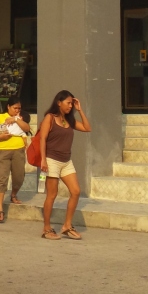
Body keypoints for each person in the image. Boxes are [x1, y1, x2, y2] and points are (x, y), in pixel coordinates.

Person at [37, 90, 90, 240]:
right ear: (59, 103)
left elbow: (87, 128)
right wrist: (43, 160)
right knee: (52, 195)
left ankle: (67, 226)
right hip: (51, 160)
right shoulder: (50, 118)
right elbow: (42, 139)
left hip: (66, 161)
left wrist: (80, 110)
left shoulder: (69, 120)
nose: (70, 106)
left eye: (72, 103)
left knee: (76, 191)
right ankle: (46, 228)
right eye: (68, 103)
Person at [0, 98, 31, 223]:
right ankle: (0, 210)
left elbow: (27, 128)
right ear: (8, 107)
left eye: (19, 108)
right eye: (15, 108)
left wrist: (16, 119)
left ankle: (13, 194)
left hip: (18, 151)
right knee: (1, 179)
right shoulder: (0, 117)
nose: (17, 110)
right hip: (3, 152)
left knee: (19, 177)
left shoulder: (20, 117)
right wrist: (0, 136)